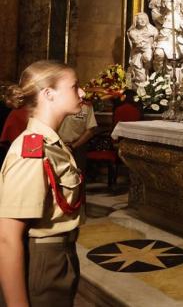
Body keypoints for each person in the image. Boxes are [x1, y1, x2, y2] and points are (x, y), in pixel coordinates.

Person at [0, 60, 86, 307]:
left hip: (60, 255)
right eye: (74, 86)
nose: (82, 92)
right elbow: (7, 238)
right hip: (44, 261)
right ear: (49, 94)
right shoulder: (32, 152)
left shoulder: (52, 144)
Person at [57, 101, 97, 175]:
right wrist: (60, 145)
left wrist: (73, 146)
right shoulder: (54, 103)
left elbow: (91, 130)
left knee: (78, 176)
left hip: (78, 147)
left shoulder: (86, 106)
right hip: (56, 146)